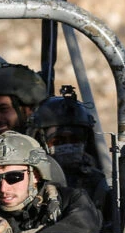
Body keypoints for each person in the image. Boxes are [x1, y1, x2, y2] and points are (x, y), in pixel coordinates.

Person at [28, 87, 114, 225]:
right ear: (40, 142)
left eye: (74, 140)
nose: (68, 146)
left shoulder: (99, 183)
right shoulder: (24, 181)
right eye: (58, 141)